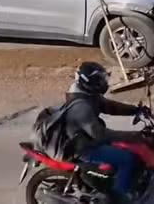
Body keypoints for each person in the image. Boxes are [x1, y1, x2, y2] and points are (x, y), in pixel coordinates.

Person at [62, 62, 146, 204]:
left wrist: (136, 110)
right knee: (127, 158)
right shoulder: (80, 106)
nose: (103, 82)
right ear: (88, 81)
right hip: (84, 148)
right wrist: (132, 136)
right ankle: (119, 197)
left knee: (129, 150)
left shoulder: (88, 94)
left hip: (88, 139)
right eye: (99, 79)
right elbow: (100, 134)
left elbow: (109, 106)